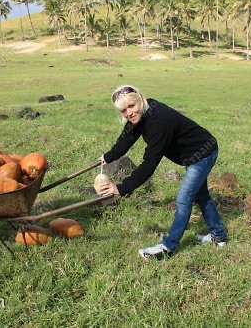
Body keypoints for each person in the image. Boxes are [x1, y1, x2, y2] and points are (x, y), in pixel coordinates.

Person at [97, 85, 227, 260]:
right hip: (194, 155)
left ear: (140, 99)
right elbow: (127, 137)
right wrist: (108, 156)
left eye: (131, 106)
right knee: (201, 196)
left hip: (203, 154)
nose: (129, 113)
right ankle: (218, 235)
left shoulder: (158, 121)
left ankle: (168, 247)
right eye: (123, 111)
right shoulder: (143, 112)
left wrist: (121, 188)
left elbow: (150, 163)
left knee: (183, 199)